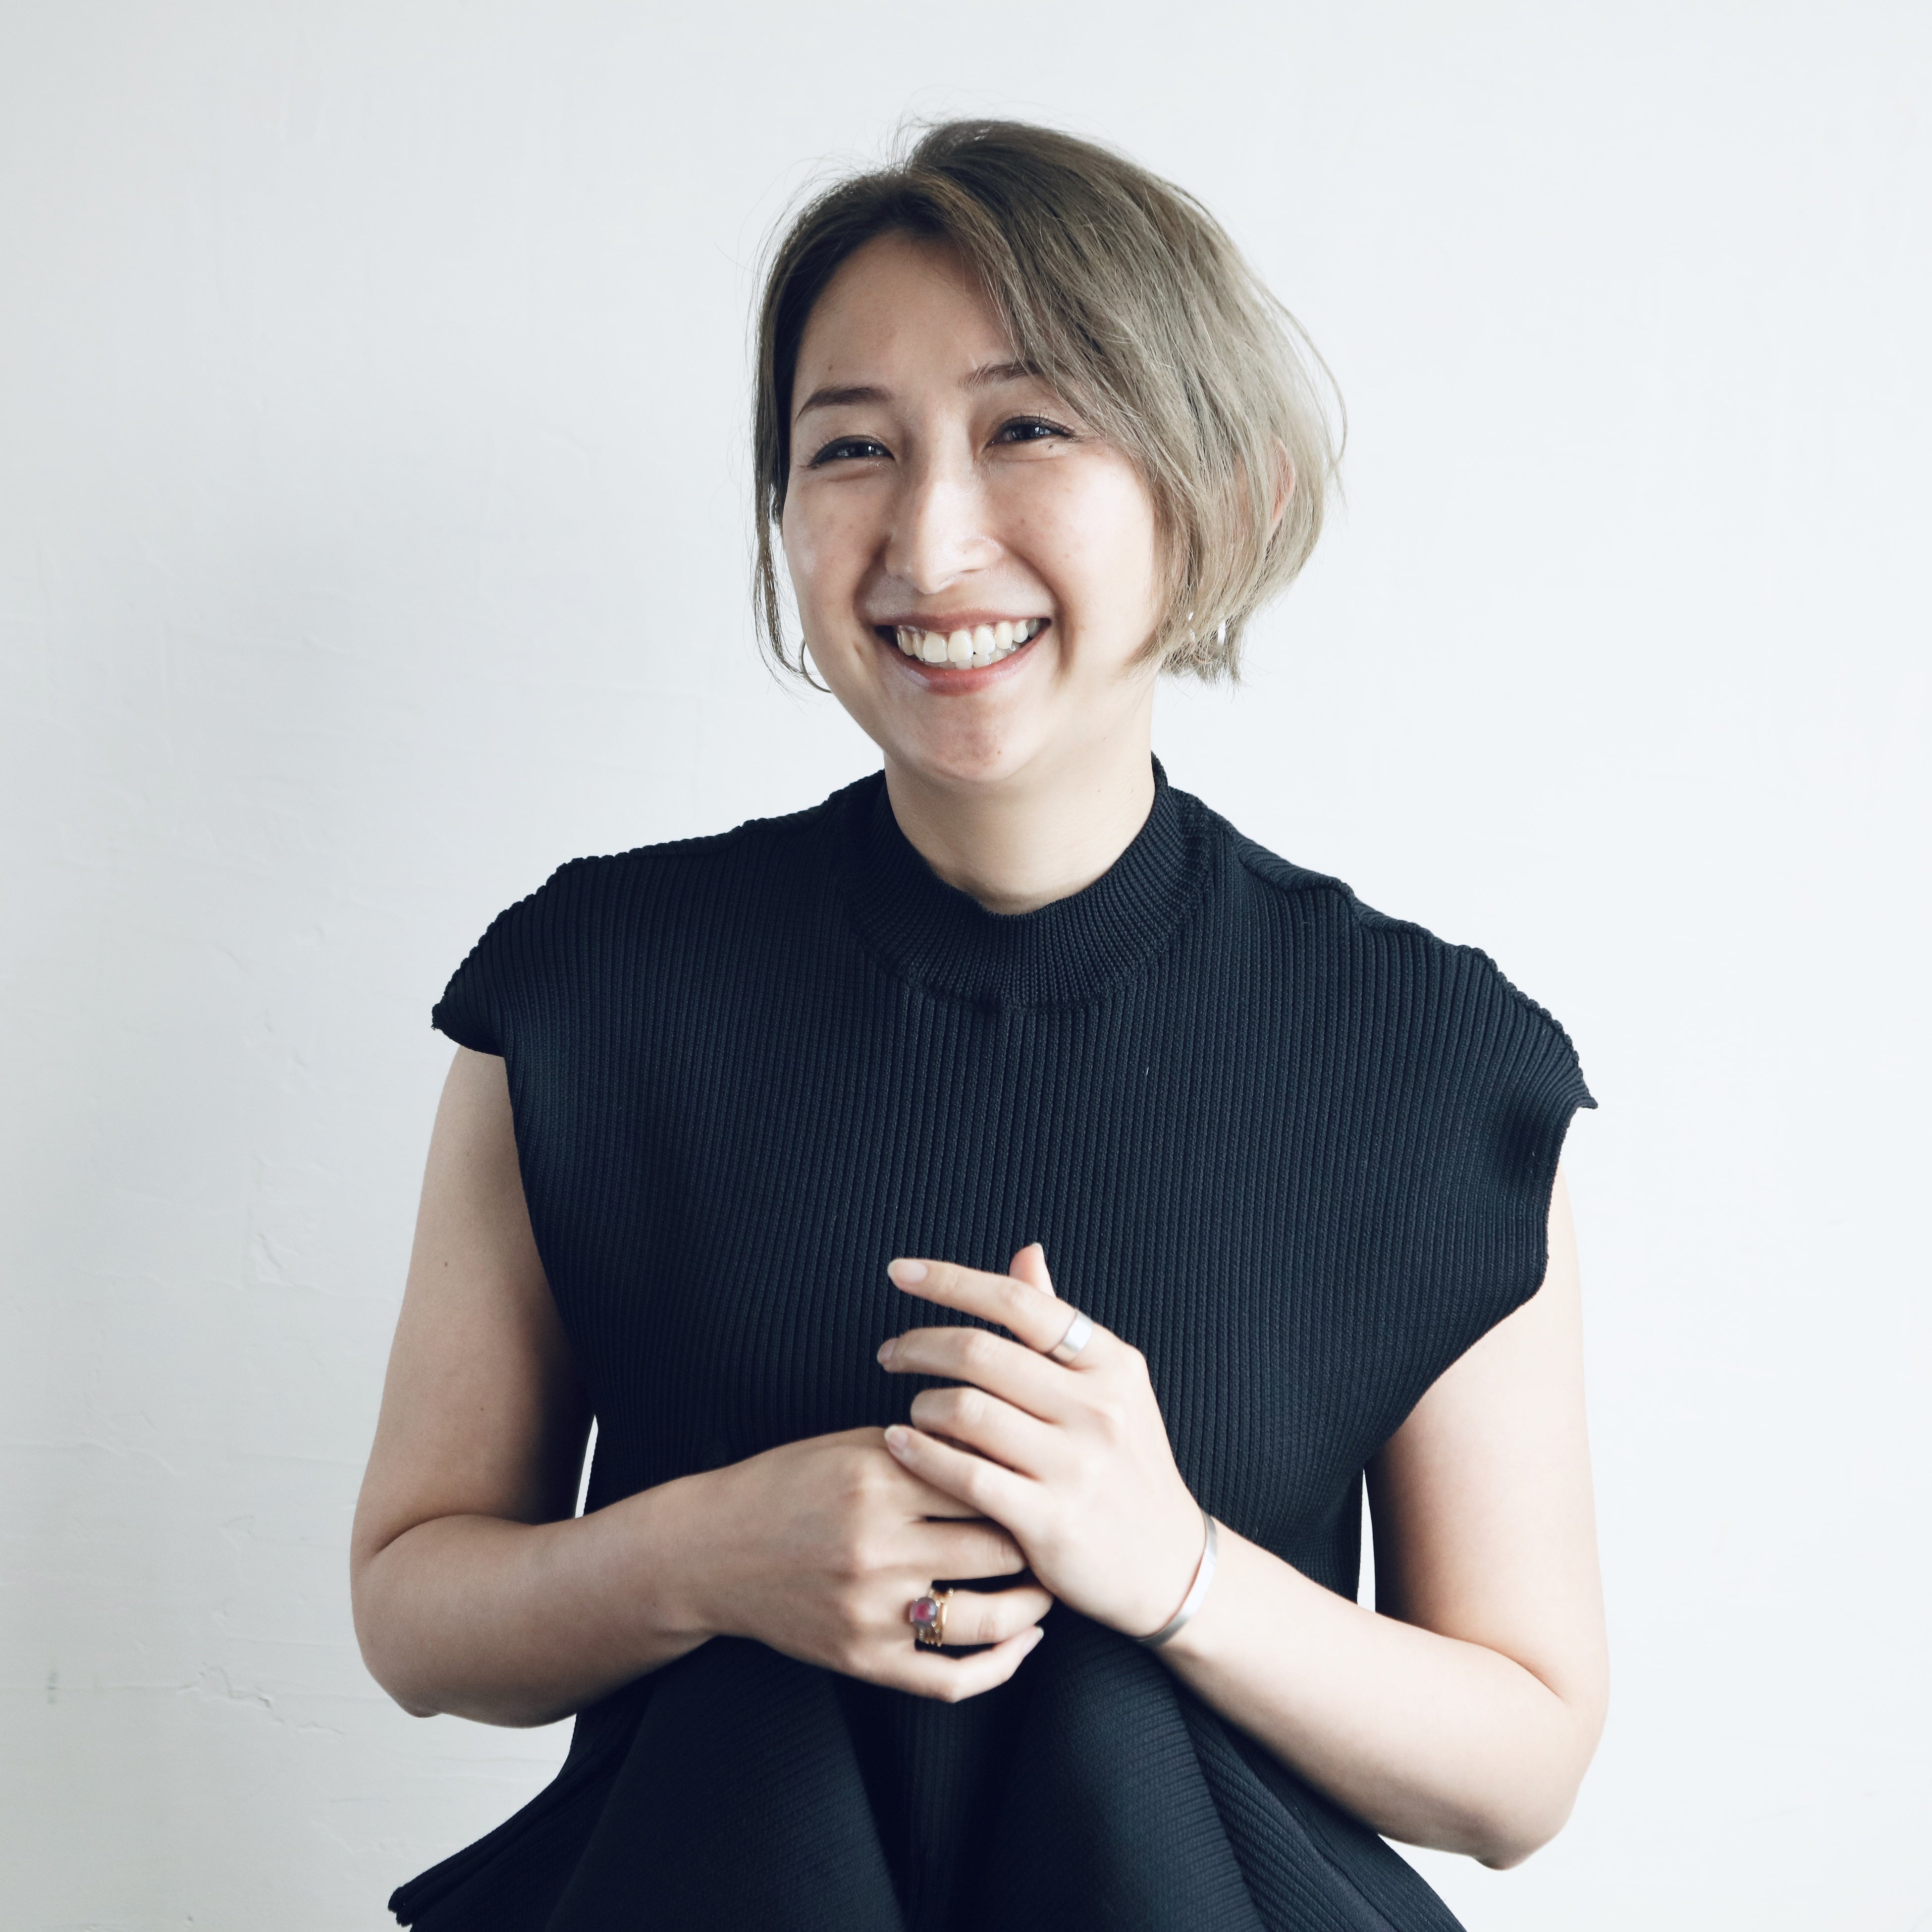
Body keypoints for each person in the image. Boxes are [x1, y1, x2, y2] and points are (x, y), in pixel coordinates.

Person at [351, 119, 1608, 1932]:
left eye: (1028, 428)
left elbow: (1521, 1767)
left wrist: (1172, 1567)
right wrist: (704, 1552)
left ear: (1226, 489)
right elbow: (413, 1607)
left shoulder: (1430, 1057)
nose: (931, 541)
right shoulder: (589, 990)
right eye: (849, 447)